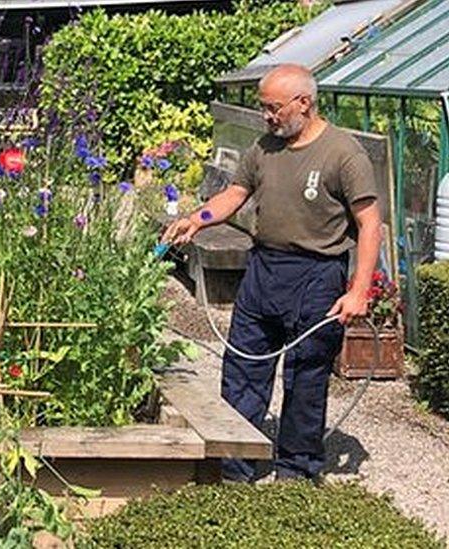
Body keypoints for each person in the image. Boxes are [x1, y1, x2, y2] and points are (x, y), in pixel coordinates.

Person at [163, 64, 382, 482]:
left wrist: (359, 291)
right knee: (243, 366)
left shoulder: (343, 153)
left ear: (304, 102)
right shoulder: (264, 148)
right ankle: (233, 464)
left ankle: (296, 470)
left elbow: (371, 224)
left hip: (318, 274)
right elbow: (234, 193)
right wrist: (198, 219)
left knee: (306, 373)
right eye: (264, 107)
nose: (267, 116)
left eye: (274, 108)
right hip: (264, 267)